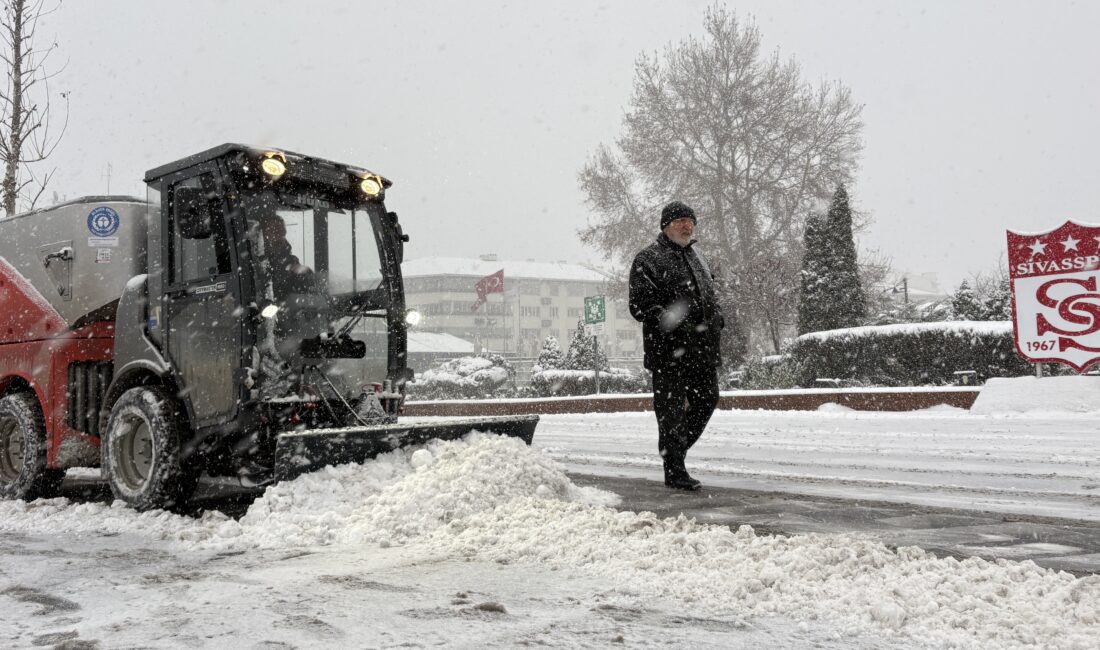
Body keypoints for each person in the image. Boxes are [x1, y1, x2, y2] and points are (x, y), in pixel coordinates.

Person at [629, 201, 724, 491]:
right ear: (666, 225)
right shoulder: (648, 259)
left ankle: (677, 451)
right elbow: (639, 305)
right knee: (670, 412)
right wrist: (669, 319)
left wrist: (718, 317)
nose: (688, 225)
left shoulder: (698, 257)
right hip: (668, 353)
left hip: (702, 350)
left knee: (707, 400)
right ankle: (674, 470)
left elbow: (710, 294)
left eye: (691, 220)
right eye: (682, 220)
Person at [256, 213, 316, 300]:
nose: (280, 238)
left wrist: (305, 275)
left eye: (282, 233)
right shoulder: (251, 263)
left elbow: (304, 297)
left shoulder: (291, 261)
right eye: (275, 232)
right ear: (261, 235)